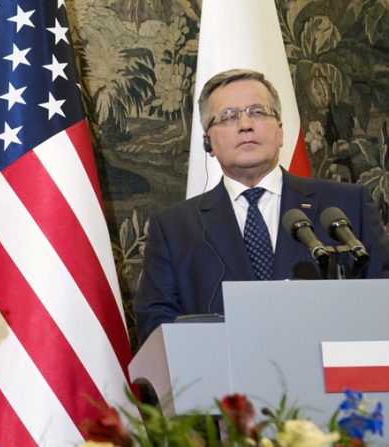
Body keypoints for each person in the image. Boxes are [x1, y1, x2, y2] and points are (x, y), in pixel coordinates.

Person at [133, 68, 389, 343]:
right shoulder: (174, 228)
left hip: (338, 380)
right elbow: (156, 327)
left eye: (257, 112)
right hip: (225, 382)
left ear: (280, 132)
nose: (245, 124)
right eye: (229, 116)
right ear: (208, 142)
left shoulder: (346, 205)